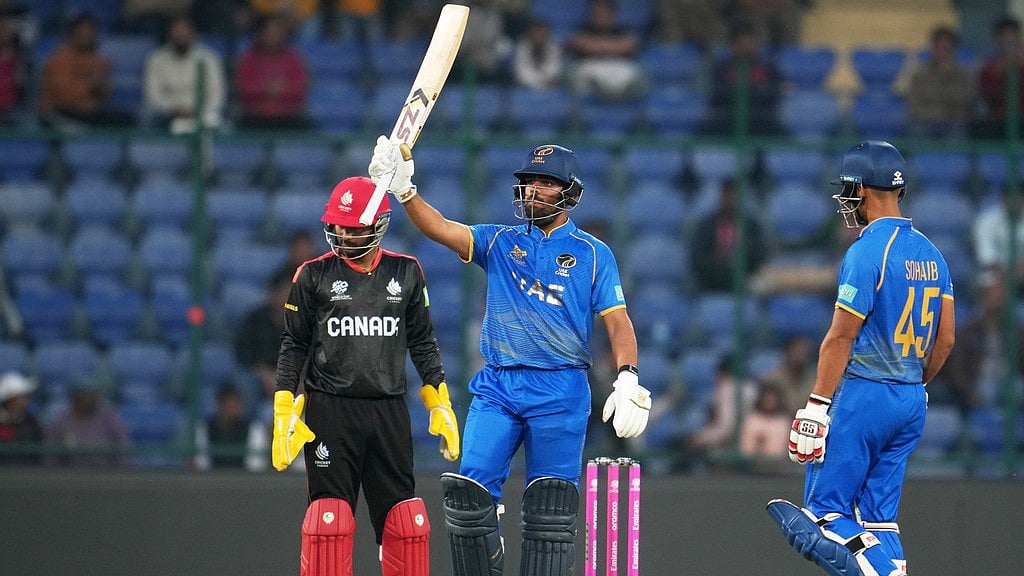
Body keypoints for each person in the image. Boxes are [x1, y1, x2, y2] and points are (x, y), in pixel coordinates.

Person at [369, 137, 650, 576]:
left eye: (546, 183)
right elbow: (441, 228)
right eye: (529, 181)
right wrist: (406, 191)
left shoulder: (594, 254)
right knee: (469, 496)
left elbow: (618, 322)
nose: (533, 190)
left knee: (550, 511)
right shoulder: (498, 241)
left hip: (561, 389)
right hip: (498, 385)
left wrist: (628, 377)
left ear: (570, 193)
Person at [767, 140, 956, 576]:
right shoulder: (934, 254)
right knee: (879, 520)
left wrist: (815, 405)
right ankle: (893, 568)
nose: (845, 200)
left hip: (864, 395)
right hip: (911, 399)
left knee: (823, 515)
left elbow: (840, 337)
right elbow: (944, 340)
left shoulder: (867, 251)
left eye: (849, 189)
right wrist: (915, 385)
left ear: (864, 191)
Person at [272, 175, 459, 575]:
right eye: (337, 226)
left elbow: (423, 342)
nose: (341, 234)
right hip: (330, 412)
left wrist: (439, 401)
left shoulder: (406, 272)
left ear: (378, 225)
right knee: (329, 523)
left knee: (405, 525)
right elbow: (294, 346)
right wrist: (284, 407)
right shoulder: (312, 275)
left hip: (388, 411)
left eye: (352, 228)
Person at [37, 14, 133, 129]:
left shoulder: (97, 59)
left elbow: (104, 95)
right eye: (82, 32)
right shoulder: (59, 58)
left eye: (90, 32)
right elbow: (63, 95)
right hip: (59, 112)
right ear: (72, 34)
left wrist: (102, 79)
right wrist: (93, 83)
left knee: (126, 119)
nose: (86, 36)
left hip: (88, 114)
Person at [141, 15, 226, 133]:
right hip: (167, 115)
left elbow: (217, 96)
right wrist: (174, 109)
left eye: (185, 31)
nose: (181, 35)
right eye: (177, 31)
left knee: (221, 123)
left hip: (201, 114)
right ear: (169, 34)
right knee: (147, 116)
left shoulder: (209, 58)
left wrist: (197, 111)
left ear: (194, 34)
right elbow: (152, 96)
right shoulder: (156, 59)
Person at [702, 17, 781, 136]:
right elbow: (716, 98)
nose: (746, 48)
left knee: (781, 135)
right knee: (703, 131)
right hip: (727, 119)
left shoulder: (768, 68)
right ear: (732, 45)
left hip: (760, 120)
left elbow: (773, 96)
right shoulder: (721, 69)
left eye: (750, 43)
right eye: (741, 44)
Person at [235, 266, 293, 421]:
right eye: (283, 292)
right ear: (272, 294)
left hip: (293, 379)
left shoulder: (303, 321)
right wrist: (264, 374)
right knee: (244, 383)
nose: (286, 297)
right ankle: (248, 430)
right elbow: (243, 353)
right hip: (260, 378)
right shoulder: (255, 319)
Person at [234, 14, 311, 130]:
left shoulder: (293, 58)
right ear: (260, 34)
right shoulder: (248, 59)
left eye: (277, 33)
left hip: (288, 115)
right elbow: (243, 87)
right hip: (255, 115)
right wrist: (264, 89)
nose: (273, 37)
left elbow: (301, 87)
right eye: (269, 33)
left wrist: (282, 89)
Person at [690, 178, 767, 293]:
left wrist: (740, 256)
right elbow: (697, 259)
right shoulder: (706, 225)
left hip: (744, 284)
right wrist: (717, 262)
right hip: (712, 284)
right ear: (721, 197)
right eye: (727, 196)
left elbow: (759, 256)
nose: (730, 201)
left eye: (734, 196)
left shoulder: (751, 226)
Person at [904, 25, 974, 140]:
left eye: (946, 48)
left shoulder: (963, 74)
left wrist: (948, 76)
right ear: (933, 48)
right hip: (926, 121)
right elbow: (914, 103)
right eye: (939, 47)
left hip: (954, 122)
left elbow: (963, 101)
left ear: (953, 49)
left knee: (958, 132)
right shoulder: (921, 74)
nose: (942, 52)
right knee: (916, 129)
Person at [565, 0, 645, 100]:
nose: (601, 16)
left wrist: (596, 46)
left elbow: (630, 44)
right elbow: (579, 43)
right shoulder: (583, 29)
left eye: (605, 13)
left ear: (613, 15)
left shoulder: (623, 30)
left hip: (619, 66)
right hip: (589, 65)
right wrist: (614, 47)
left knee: (637, 76)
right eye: (598, 13)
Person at [45, 377, 131, 468]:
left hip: (106, 474)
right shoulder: (59, 422)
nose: (93, 398)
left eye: (94, 394)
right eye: (87, 395)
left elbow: (124, 451)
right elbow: (50, 457)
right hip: (71, 476)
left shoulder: (110, 418)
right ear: (76, 397)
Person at [194, 382, 266, 470]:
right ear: (218, 405)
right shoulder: (205, 428)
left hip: (245, 480)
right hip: (211, 480)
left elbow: (256, 466)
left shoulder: (254, 429)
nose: (232, 410)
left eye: (235, 406)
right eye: (228, 406)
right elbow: (201, 463)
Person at [975, 16, 1024, 138]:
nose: (1008, 39)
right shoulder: (988, 66)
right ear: (997, 39)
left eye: (1012, 34)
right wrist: (998, 72)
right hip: (999, 117)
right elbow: (985, 94)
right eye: (1003, 35)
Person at [759, 334, 817, 415]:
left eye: (804, 354)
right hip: (777, 422)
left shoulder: (814, 382)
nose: (801, 357)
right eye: (798, 352)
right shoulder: (770, 379)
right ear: (787, 352)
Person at [739, 382, 791, 460]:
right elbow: (746, 449)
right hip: (752, 464)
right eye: (767, 399)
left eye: (773, 399)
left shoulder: (783, 421)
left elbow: (786, 449)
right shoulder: (752, 419)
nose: (770, 402)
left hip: (779, 465)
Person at [0, 371, 42, 465]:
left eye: (25, 396)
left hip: (27, 474)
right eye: (20, 397)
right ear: (9, 399)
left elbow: (38, 454)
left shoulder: (31, 421)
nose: (25, 400)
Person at [512, 17, 564, 90]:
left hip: (549, 86)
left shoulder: (553, 47)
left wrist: (544, 80)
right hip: (525, 87)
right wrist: (539, 82)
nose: (539, 35)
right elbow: (521, 72)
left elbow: (554, 69)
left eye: (541, 33)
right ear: (530, 33)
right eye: (536, 32)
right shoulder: (522, 46)